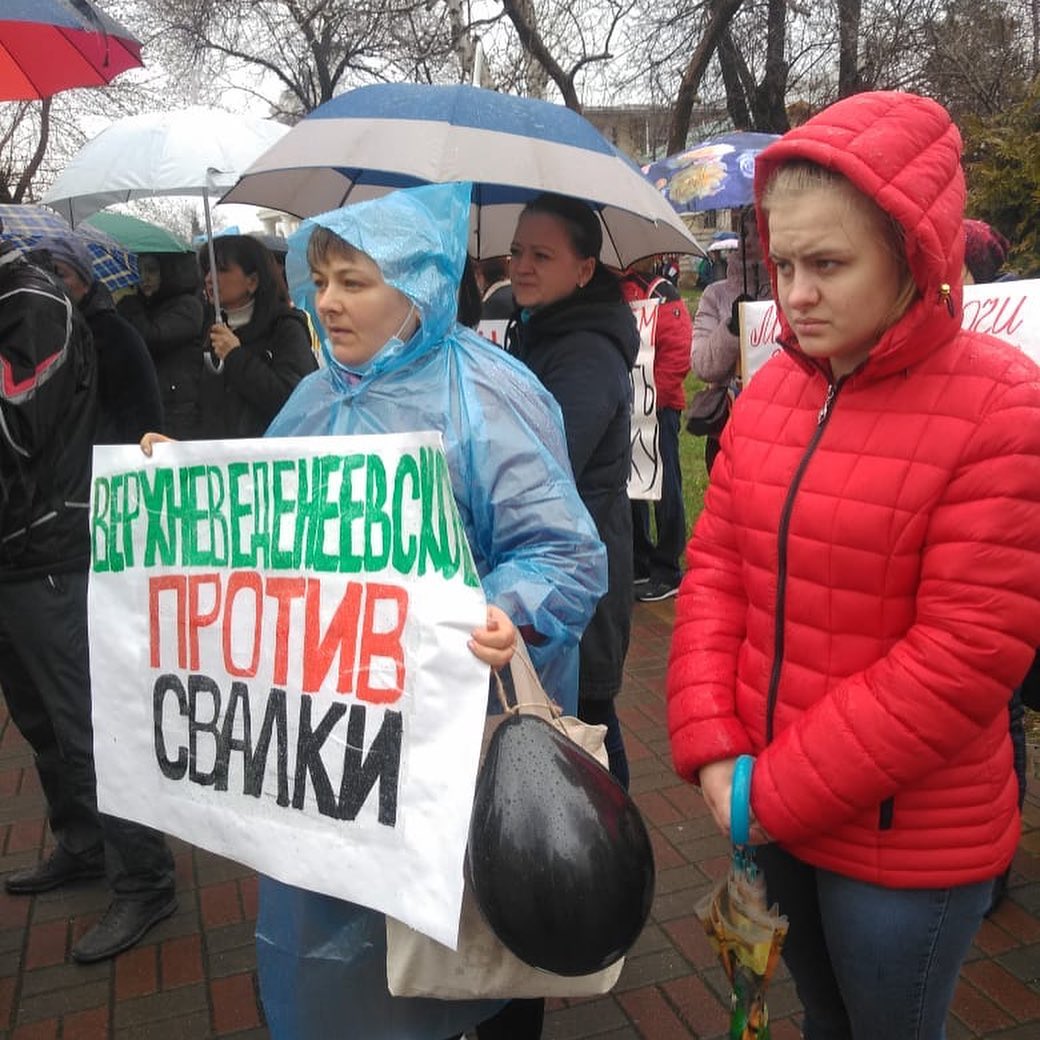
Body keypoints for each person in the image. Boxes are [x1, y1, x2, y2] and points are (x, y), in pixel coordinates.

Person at [169, 181, 602, 1040]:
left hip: (454, 735)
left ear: (421, 285)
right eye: (320, 277)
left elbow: (564, 554)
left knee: (474, 936)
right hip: (342, 748)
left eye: (354, 280)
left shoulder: (488, 397)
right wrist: (182, 484)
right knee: (351, 951)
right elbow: (260, 533)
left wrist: (503, 609)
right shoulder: (313, 398)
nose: (326, 300)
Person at [667, 90, 1040, 1039]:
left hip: (904, 840)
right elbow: (715, 569)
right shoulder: (776, 390)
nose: (794, 294)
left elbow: (966, 653)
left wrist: (764, 791)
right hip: (766, 804)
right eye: (784, 263)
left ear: (914, 252)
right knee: (825, 1019)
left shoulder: (1003, 406)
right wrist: (713, 744)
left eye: (828, 264)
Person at [0, 235, 176, 963]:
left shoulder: (30, 304)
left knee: (89, 726)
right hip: (16, 555)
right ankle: (79, 842)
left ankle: (145, 878)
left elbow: (17, 431)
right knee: (41, 719)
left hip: (52, 550)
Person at [506, 192, 639, 791]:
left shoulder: (584, 351)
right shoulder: (541, 331)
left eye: (541, 254)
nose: (522, 266)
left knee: (589, 725)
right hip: (554, 569)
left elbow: (541, 465)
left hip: (582, 581)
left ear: (584, 269)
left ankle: (613, 859)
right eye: (515, 251)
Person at [37, 235, 164, 444]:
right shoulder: (22, 334)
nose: (49, 281)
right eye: (40, 273)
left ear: (85, 283)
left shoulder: (117, 336)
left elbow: (144, 417)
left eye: (59, 274)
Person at [619, 257, 692, 601]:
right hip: (628, 408)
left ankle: (667, 567)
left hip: (659, 408)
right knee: (632, 484)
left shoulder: (662, 292)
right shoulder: (613, 292)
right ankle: (640, 558)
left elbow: (678, 352)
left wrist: (652, 400)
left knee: (665, 488)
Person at [195, 235, 317, 438]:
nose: (209, 278)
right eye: (208, 269)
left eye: (221, 270)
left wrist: (235, 356)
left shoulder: (285, 329)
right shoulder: (210, 330)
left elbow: (294, 401)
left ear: (252, 281)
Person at [689, 209, 771, 472]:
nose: (749, 240)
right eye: (744, 232)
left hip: (779, 422)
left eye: (758, 232)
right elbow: (702, 365)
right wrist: (733, 328)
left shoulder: (790, 292)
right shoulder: (715, 294)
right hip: (728, 424)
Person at [117, 252, 206, 439]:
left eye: (152, 270)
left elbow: (152, 337)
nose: (145, 278)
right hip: (148, 404)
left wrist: (129, 303)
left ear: (167, 272)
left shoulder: (188, 306)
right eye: (139, 271)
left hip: (178, 409)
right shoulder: (142, 306)